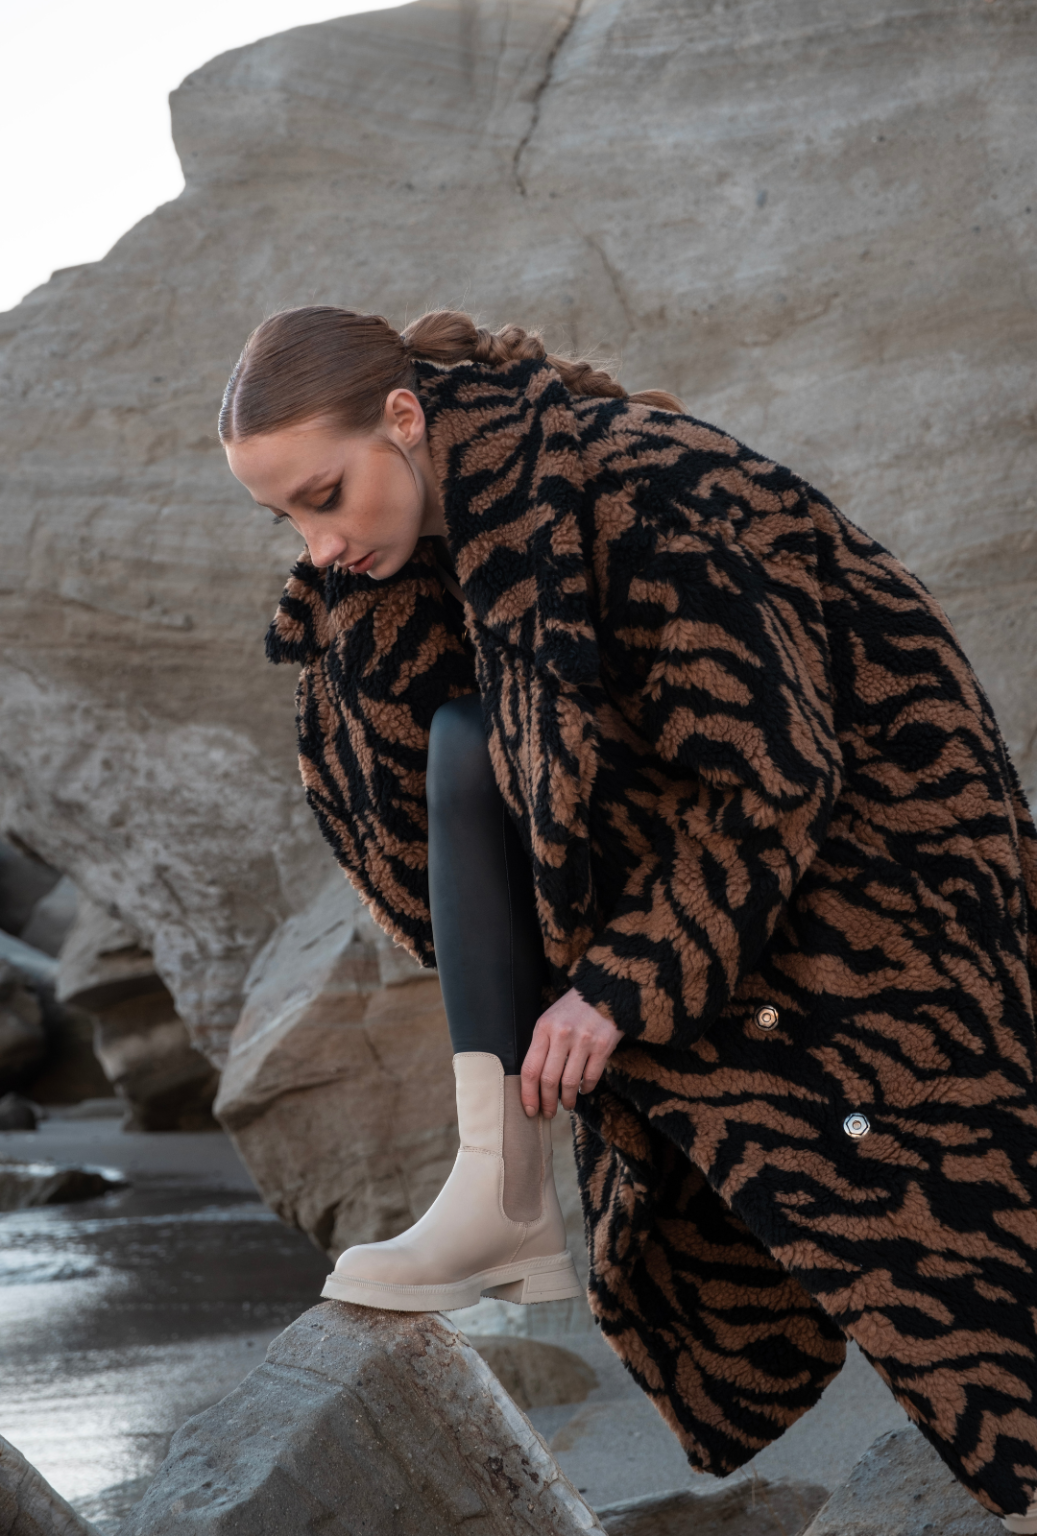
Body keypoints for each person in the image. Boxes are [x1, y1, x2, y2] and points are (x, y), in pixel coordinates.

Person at [220, 306, 1037, 1531]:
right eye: (285, 517)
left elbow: (773, 779)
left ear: (403, 418)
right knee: (461, 740)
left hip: (885, 870)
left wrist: (619, 984)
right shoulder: (445, 538)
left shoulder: (645, 488)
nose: (318, 544)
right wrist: (359, 642)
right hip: (722, 855)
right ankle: (500, 1184)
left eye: (325, 496)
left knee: (955, 1258)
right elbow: (421, 814)